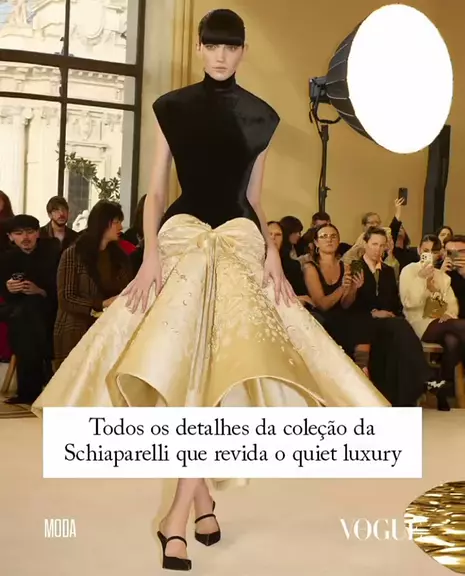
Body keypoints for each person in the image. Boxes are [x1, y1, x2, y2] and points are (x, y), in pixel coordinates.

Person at [32, 9, 388, 571]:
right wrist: (150, 257)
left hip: (241, 241)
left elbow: (255, 199)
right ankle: (197, 505)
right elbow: (154, 192)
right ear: (199, 48)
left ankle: (179, 516)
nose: (221, 55)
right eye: (212, 45)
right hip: (181, 239)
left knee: (220, 371)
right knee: (184, 369)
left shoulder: (264, 116)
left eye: (231, 46)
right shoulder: (169, 107)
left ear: (242, 51)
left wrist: (273, 254)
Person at [352, 227, 435, 407]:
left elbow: (393, 302)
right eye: (374, 244)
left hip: (387, 322)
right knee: (400, 327)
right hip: (362, 321)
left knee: (400, 335)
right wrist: (373, 313)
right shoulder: (355, 267)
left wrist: (387, 312)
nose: (378, 249)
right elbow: (350, 303)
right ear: (365, 244)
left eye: (382, 245)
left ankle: (406, 399)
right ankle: (427, 377)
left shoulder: (388, 271)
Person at [54, 201, 133, 369]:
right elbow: (66, 298)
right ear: (103, 223)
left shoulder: (119, 257)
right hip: (78, 325)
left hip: (111, 324)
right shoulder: (74, 254)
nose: (121, 227)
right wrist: (101, 304)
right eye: (116, 222)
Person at [0, 215, 60, 403]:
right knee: (25, 316)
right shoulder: (7, 258)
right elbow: (4, 292)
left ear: (37, 233)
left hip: (48, 307)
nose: (25, 238)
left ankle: (28, 390)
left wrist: (40, 290)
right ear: (10, 237)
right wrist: (8, 288)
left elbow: (60, 288)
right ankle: (40, 381)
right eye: (18, 233)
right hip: (17, 309)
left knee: (28, 315)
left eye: (29, 232)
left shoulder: (52, 253)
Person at [400, 234, 458, 408]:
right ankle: (444, 385)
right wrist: (421, 279)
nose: (429, 255)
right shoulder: (409, 271)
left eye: (433, 252)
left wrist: (447, 313)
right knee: (459, 328)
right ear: (419, 250)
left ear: (439, 254)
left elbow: (451, 306)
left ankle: (441, 387)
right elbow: (409, 304)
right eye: (425, 251)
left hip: (441, 323)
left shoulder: (443, 277)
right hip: (417, 322)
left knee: (452, 340)